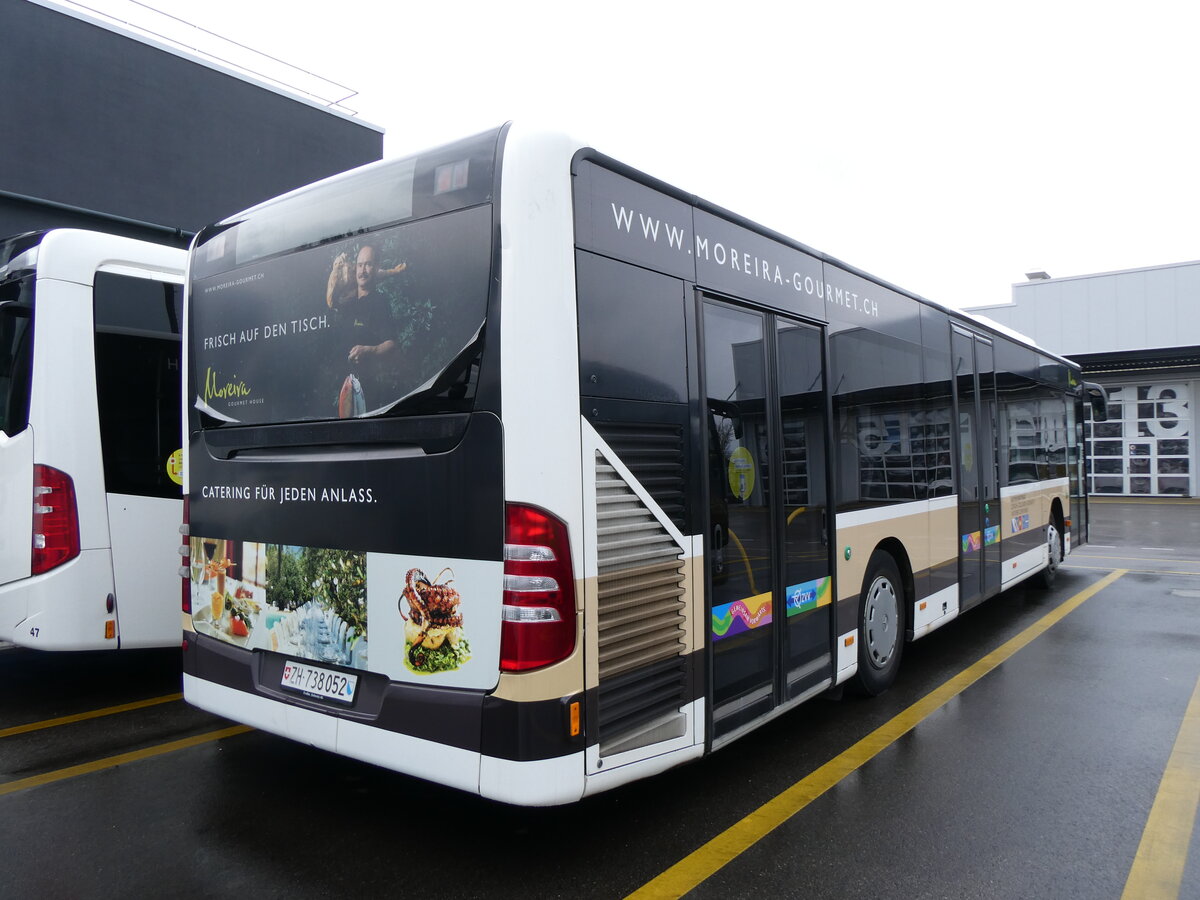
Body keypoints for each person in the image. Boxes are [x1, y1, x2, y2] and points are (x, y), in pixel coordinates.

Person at [326, 243, 406, 414]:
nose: (363, 271)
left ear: (376, 267)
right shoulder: (347, 300)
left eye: (368, 264)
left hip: (366, 392)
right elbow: (331, 297)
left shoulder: (380, 302)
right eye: (360, 265)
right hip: (341, 390)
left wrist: (369, 350)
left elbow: (392, 344)